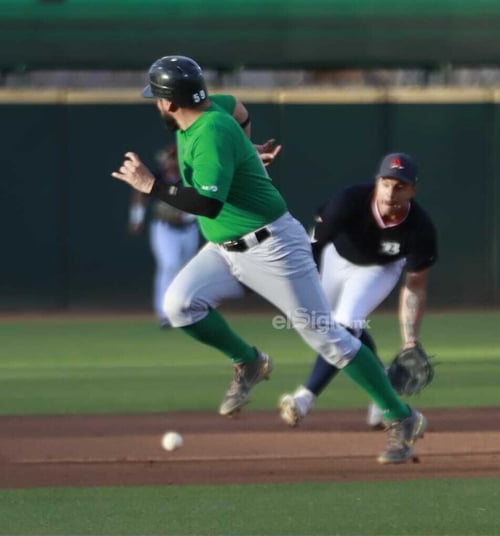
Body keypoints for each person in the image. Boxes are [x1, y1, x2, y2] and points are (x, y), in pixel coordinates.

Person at [111, 54, 426, 464]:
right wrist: (245, 152)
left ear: (170, 102)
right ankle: (249, 361)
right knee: (179, 305)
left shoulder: (208, 133)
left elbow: (205, 204)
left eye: (157, 97)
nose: (155, 104)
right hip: (225, 249)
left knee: (327, 337)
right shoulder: (212, 109)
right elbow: (239, 108)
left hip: (273, 246)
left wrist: (150, 185)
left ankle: (401, 417)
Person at [278, 153, 438, 429]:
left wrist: (410, 340)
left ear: (413, 190)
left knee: (346, 326)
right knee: (318, 326)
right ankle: (384, 382)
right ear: (377, 183)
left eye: (400, 186)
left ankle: (305, 397)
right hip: (333, 258)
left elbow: (415, 288)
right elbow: (311, 246)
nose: (391, 192)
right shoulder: (348, 202)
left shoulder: (420, 229)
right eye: (386, 183)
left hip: (379, 269)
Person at [128, 145, 201, 329]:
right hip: (164, 227)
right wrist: (137, 218)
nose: (170, 161)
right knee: (168, 265)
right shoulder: (158, 177)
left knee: (185, 269)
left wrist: (191, 214)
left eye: (174, 157)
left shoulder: (190, 177)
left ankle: (184, 310)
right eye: (169, 157)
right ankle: (164, 313)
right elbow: (140, 194)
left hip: (189, 229)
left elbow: (204, 199)